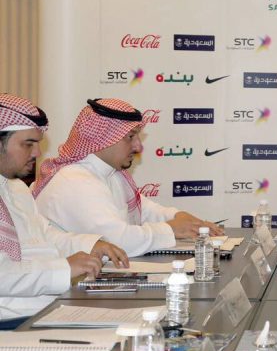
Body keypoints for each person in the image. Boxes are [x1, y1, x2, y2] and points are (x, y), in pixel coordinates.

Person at [0, 94, 129, 328]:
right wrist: (64, 268)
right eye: (28, 144)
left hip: (45, 306)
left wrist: (90, 245)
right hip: (12, 321)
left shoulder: (15, 188)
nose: (37, 153)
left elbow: (44, 236)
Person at [33, 98, 221, 257]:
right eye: (130, 137)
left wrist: (179, 218)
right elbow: (118, 241)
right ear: (103, 138)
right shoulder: (75, 181)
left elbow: (143, 210)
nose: (138, 147)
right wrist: (171, 229)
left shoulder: (110, 173)